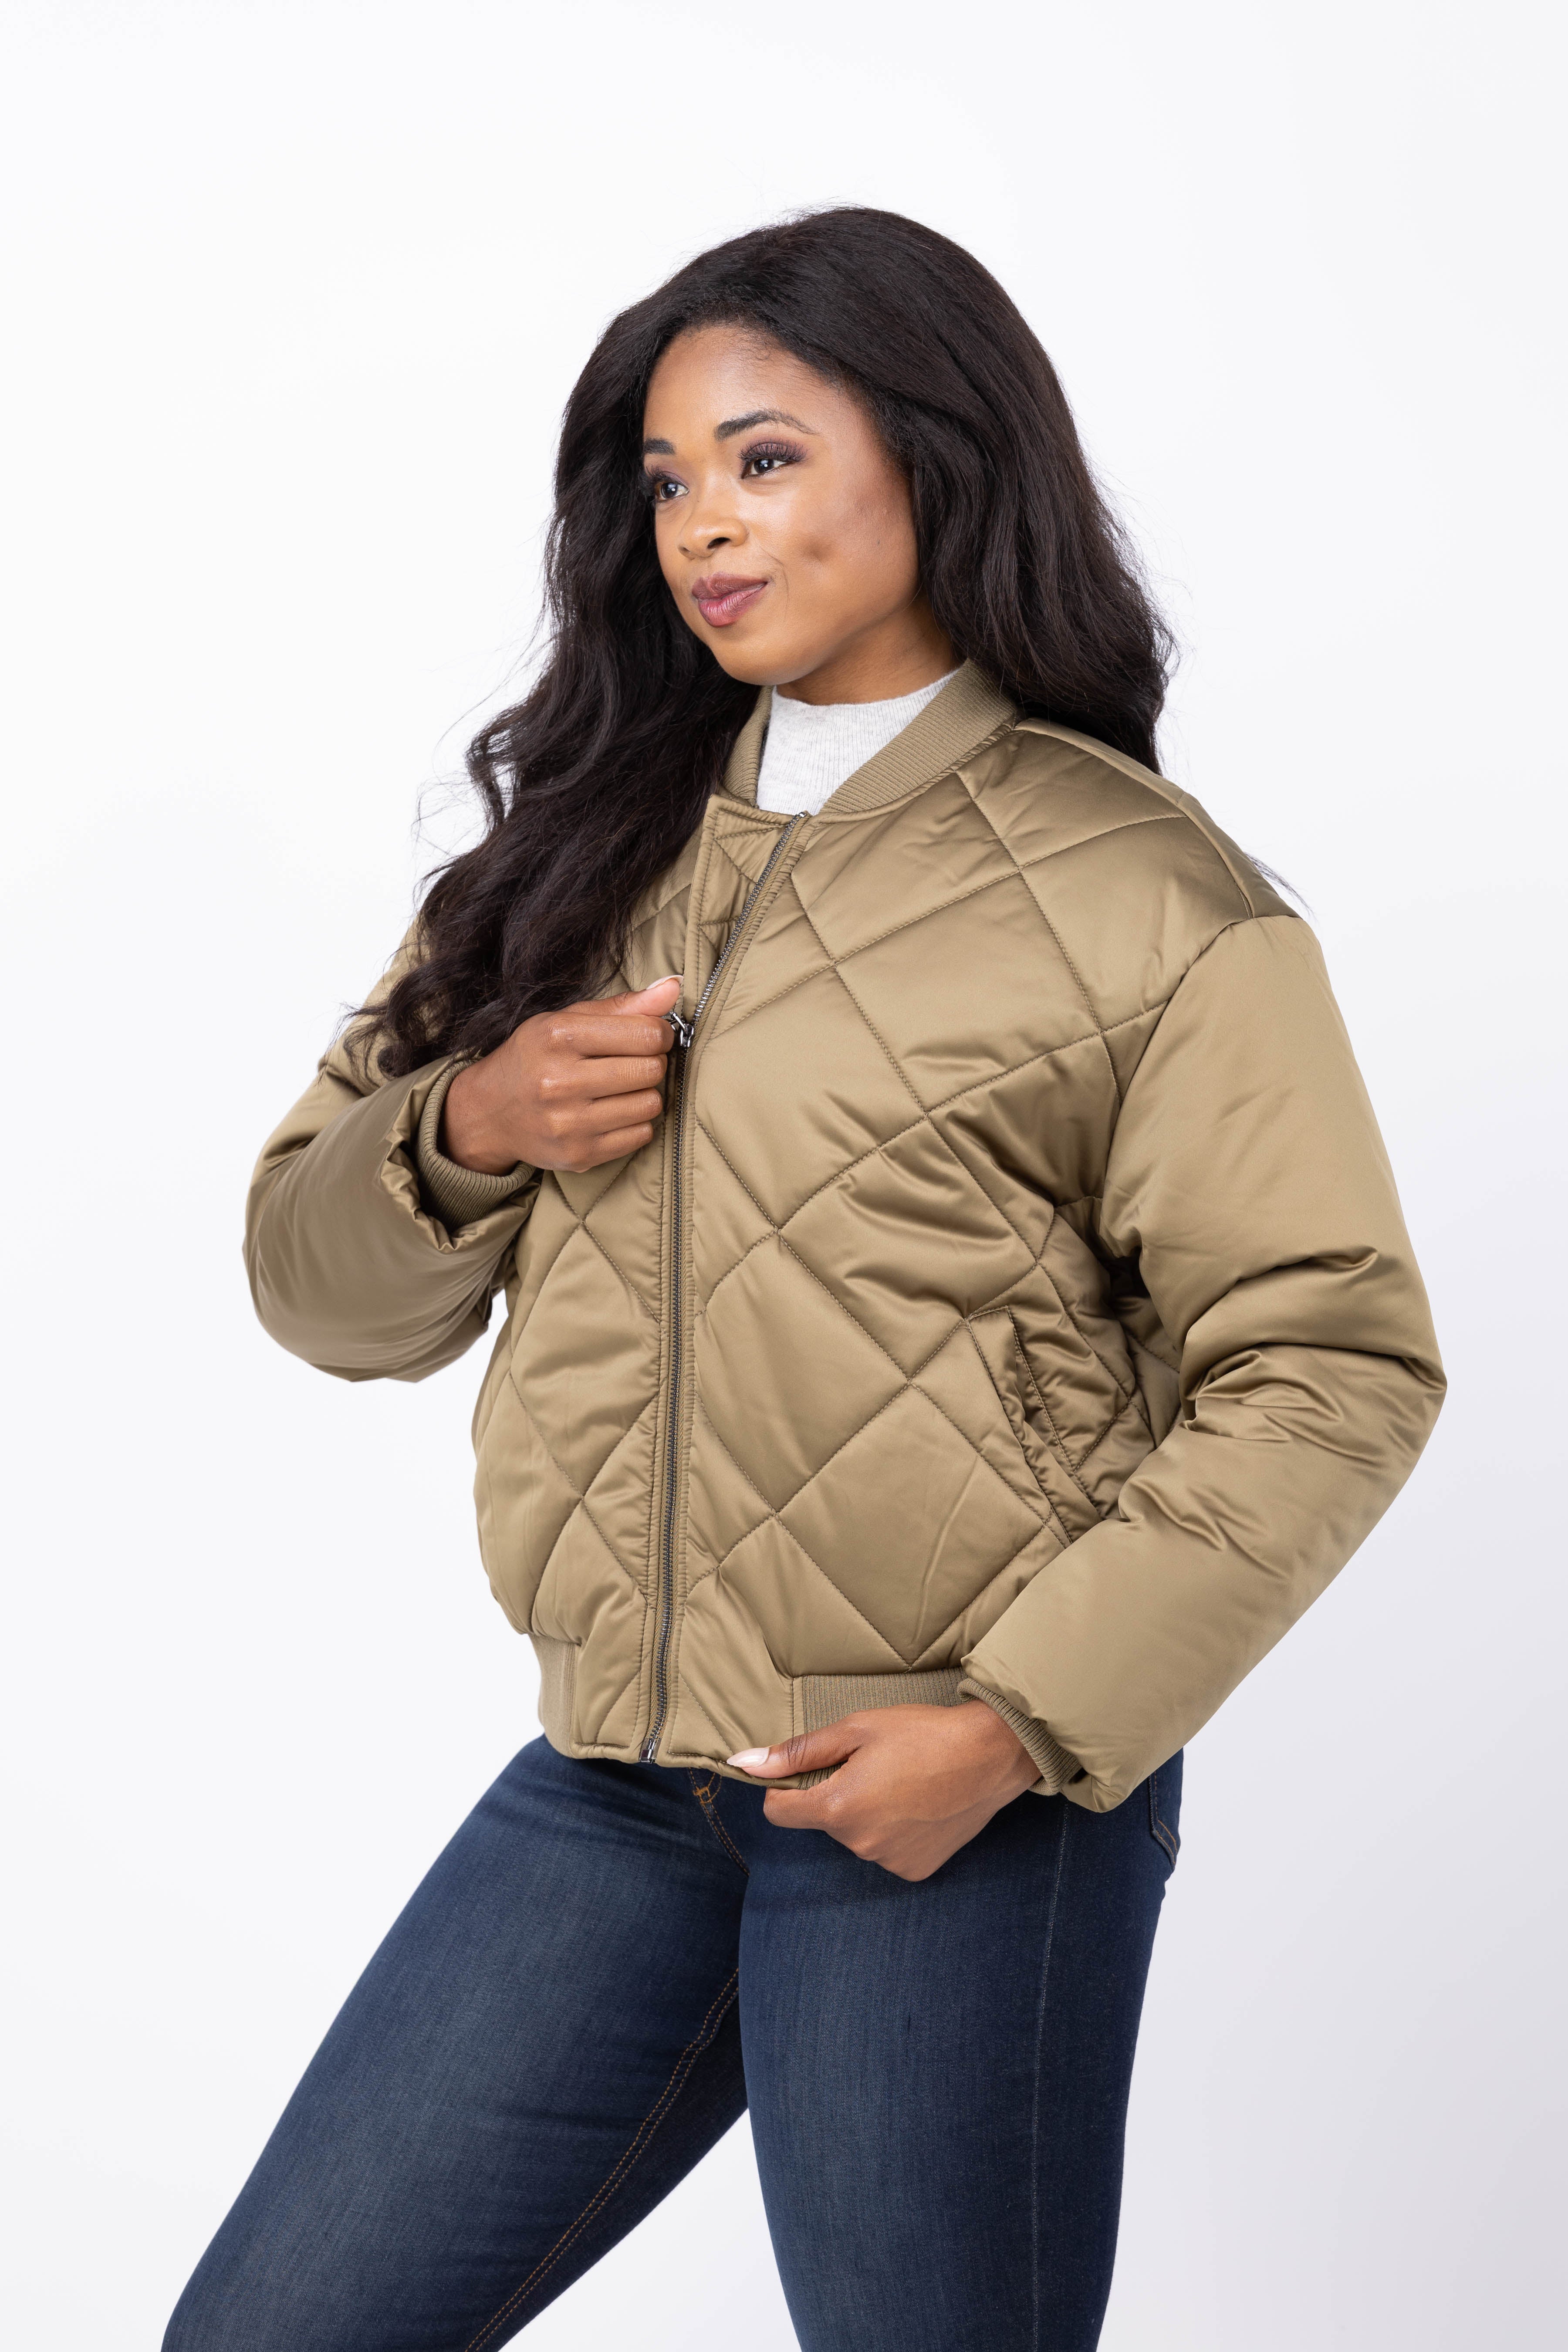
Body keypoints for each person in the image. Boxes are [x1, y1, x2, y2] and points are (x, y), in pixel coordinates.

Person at [166, 207, 1443, 2352]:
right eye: (667, 477)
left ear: (940, 456)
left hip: (956, 1796)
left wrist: (1017, 1727)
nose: (702, 524)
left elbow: (1330, 1366)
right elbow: (314, 1291)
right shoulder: (571, 855)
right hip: (617, 1786)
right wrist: (469, 1128)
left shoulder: (1150, 899)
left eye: (765, 459)